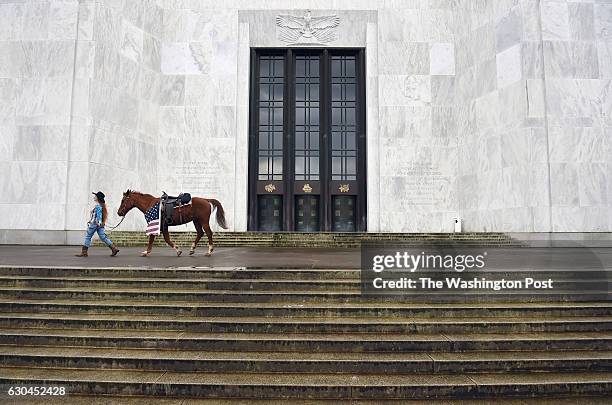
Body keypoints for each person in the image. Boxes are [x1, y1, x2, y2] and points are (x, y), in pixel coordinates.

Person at [75, 191, 120, 257]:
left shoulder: (98, 206)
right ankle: (114, 248)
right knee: (103, 237)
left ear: (98, 198)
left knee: (88, 237)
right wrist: (100, 223)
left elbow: (98, 216)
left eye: (95, 196)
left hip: (95, 224)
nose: (94, 197)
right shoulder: (101, 206)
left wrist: (96, 222)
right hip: (99, 224)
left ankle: (84, 252)